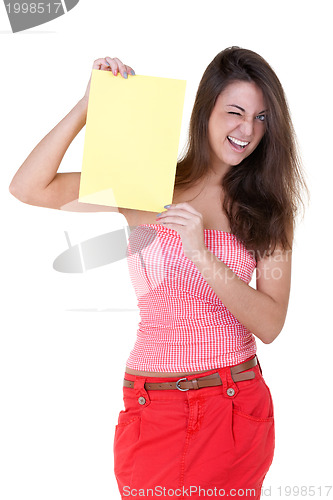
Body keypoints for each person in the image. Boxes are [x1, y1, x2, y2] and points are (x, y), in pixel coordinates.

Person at [9, 47, 308, 499]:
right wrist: (90, 105)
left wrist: (201, 252)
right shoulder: (148, 183)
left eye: (262, 117)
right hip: (151, 407)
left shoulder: (267, 210)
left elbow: (270, 325)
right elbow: (29, 187)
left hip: (231, 403)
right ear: (206, 111)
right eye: (235, 112)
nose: (247, 129)